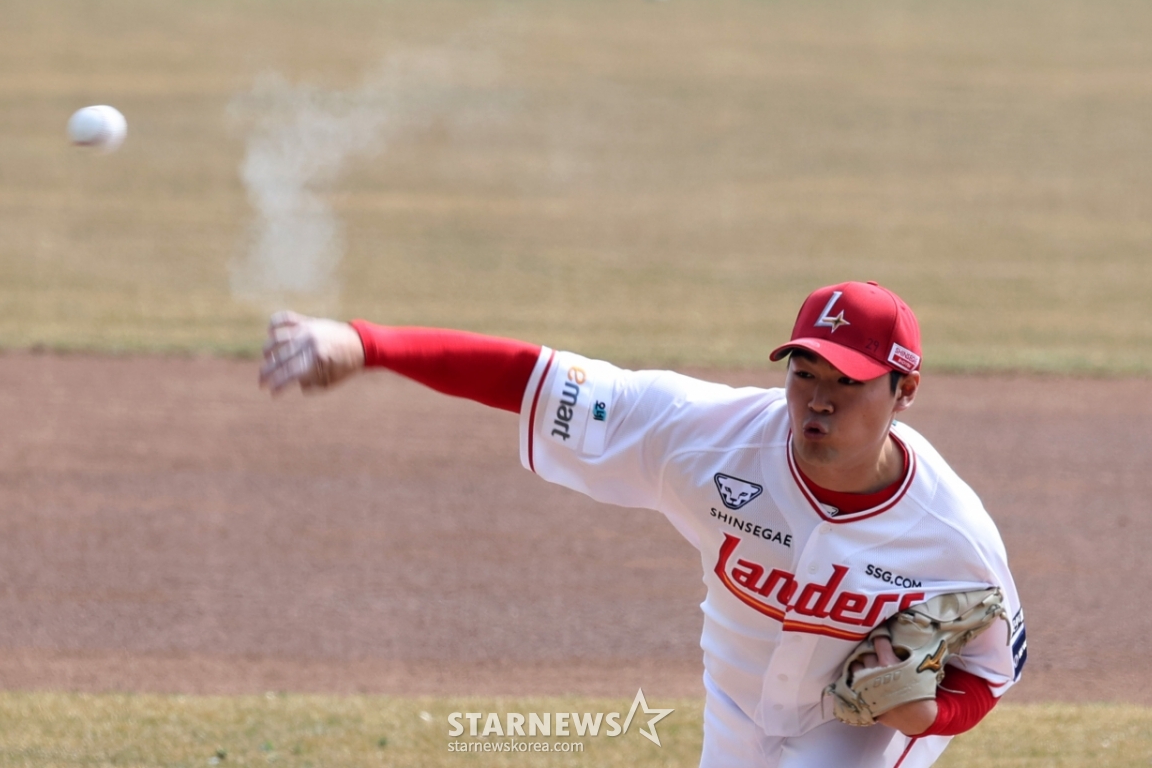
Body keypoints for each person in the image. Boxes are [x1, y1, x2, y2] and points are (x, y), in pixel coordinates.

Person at [259, 280, 1027, 768]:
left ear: (906, 390)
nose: (818, 398)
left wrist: (931, 712)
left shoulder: (953, 536)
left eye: (849, 382)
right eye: (804, 372)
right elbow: (532, 377)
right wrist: (366, 344)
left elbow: (994, 668)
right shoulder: (703, 435)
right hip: (735, 702)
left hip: (855, 732)